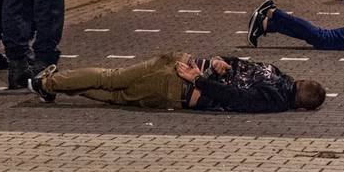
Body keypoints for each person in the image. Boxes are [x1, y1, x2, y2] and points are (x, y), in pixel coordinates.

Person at [27, 52, 327, 113]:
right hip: (180, 87)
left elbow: (230, 62)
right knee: (114, 92)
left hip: (183, 61)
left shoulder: (274, 71)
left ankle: (52, 84)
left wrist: (216, 62)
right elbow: (234, 98)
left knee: (112, 79)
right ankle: (48, 84)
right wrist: (198, 79)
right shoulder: (274, 100)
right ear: (300, 106)